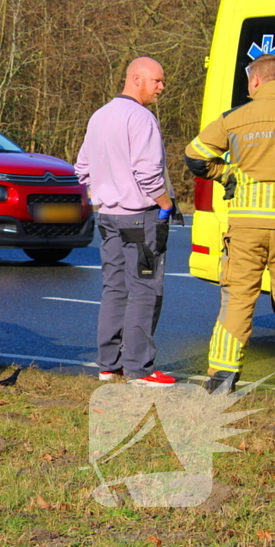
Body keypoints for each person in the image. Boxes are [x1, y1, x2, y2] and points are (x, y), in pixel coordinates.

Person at [185, 54, 275, 401]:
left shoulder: (235, 118)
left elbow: (196, 155)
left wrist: (226, 174)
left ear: (256, 81)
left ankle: (222, 381)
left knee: (238, 301)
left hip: (245, 229)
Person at [75, 57, 180, 387]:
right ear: (136, 79)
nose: (162, 87)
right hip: (140, 220)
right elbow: (148, 173)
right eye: (157, 81)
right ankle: (140, 368)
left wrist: (104, 193)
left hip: (109, 218)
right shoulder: (142, 118)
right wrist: (166, 204)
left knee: (115, 288)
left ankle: (109, 364)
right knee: (145, 288)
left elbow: (82, 169)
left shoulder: (100, 116)